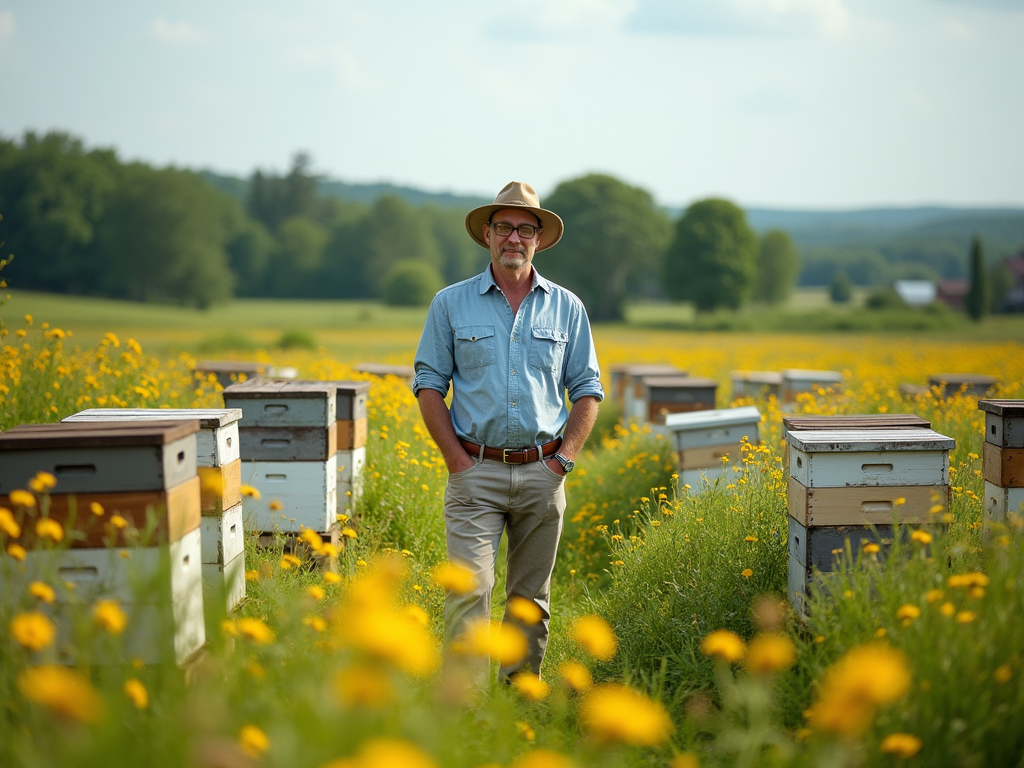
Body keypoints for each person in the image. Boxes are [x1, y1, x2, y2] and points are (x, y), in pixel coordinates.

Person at [412, 180, 604, 686]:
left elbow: (587, 389)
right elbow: (429, 383)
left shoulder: (568, 308)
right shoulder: (450, 304)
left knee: (529, 602)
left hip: (544, 473)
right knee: (469, 593)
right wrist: (456, 459)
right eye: (504, 228)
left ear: (538, 238)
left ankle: (518, 703)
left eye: (524, 229)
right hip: (474, 474)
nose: (513, 238)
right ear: (488, 236)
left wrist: (563, 461)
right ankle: (465, 709)